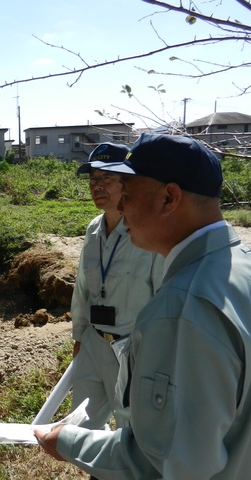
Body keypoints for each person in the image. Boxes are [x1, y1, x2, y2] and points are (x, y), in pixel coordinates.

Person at [35, 133, 251, 479]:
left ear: (169, 198)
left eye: (129, 195)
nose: (120, 207)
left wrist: (70, 444)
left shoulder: (180, 311)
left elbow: (165, 462)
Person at [68, 143, 163, 431]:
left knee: (132, 431)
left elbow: (162, 297)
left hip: (133, 350)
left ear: (127, 182)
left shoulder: (147, 233)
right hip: (94, 344)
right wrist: (79, 339)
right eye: (93, 179)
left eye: (107, 178)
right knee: (81, 428)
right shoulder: (93, 229)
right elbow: (83, 288)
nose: (97, 186)